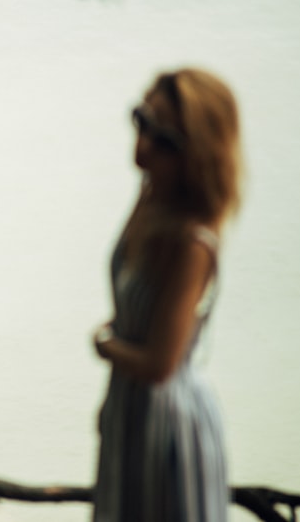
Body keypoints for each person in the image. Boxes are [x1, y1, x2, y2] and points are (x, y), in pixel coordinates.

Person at [92, 68, 242, 522]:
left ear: (197, 152)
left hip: (169, 429)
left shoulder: (192, 240)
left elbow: (160, 365)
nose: (145, 145)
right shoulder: (149, 197)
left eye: (165, 140)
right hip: (128, 416)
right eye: (142, 122)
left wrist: (103, 344)